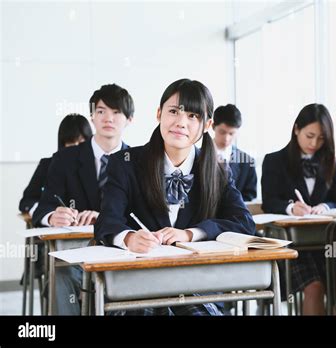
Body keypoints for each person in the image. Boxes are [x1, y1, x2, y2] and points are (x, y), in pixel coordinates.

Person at [95, 79, 255, 316]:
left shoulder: (218, 170)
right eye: (173, 111)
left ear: (207, 124)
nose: (181, 122)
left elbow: (245, 223)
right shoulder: (124, 163)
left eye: (193, 116)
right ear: (159, 113)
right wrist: (128, 238)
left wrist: (192, 233)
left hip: (197, 286)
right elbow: (107, 221)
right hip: (138, 285)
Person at [33, 83, 134, 315]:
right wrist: (53, 216)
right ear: (92, 116)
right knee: (61, 274)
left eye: (116, 112)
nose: (108, 118)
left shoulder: (139, 161)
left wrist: (106, 219)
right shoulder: (64, 159)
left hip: (121, 252)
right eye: (101, 111)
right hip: (75, 252)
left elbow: (146, 215)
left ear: (129, 119)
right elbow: (43, 206)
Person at [261, 103, 336, 315]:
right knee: (314, 288)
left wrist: (324, 206)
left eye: (321, 139)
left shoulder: (329, 162)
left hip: (323, 243)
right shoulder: (274, 161)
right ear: (296, 129)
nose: (314, 143)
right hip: (290, 245)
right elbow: (269, 201)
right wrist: (291, 208)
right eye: (309, 136)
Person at [19, 114, 93, 215]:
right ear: (62, 143)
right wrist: (47, 213)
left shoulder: (98, 167)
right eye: (71, 143)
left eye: (81, 143)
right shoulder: (47, 165)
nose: (76, 149)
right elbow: (26, 201)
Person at [213, 104, 257, 201]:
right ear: (213, 126)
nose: (226, 138)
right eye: (222, 132)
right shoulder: (197, 156)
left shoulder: (247, 162)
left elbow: (250, 195)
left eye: (231, 133)